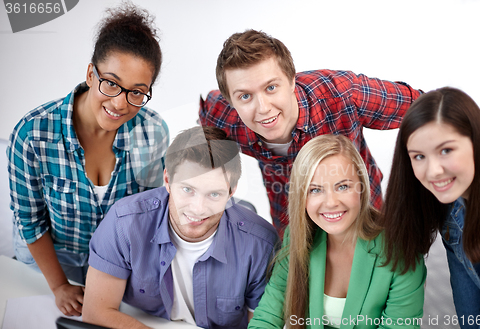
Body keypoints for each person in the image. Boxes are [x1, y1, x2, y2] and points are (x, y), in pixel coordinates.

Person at [6, 3, 169, 317]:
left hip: (116, 263)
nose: (120, 103)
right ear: (91, 74)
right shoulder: (32, 134)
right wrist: (58, 287)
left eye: (137, 92)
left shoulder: (153, 132)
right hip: (51, 263)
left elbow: (149, 213)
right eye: (111, 82)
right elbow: (30, 222)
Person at [199, 29, 423, 237]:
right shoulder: (221, 117)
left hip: (360, 214)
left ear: (292, 81)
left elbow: (426, 108)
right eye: (245, 96)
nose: (263, 107)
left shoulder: (344, 94)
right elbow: (202, 141)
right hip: (292, 222)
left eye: (271, 88)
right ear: (230, 101)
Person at [82, 126, 279, 329]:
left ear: (231, 193)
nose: (198, 208)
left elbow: (262, 323)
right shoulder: (124, 222)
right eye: (187, 189)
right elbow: (96, 312)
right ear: (167, 180)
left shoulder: (261, 244)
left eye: (214, 194)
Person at [248, 134, 426, 329]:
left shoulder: (401, 248)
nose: (331, 202)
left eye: (342, 187)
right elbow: (267, 317)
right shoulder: (298, 236)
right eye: (315, 190)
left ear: (361, 187)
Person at [380, 87, 480, 328]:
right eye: (419, 156)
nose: (433, 171)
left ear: (476, 141)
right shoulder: (449, 204)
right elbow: (471, 312)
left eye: (446, 150)